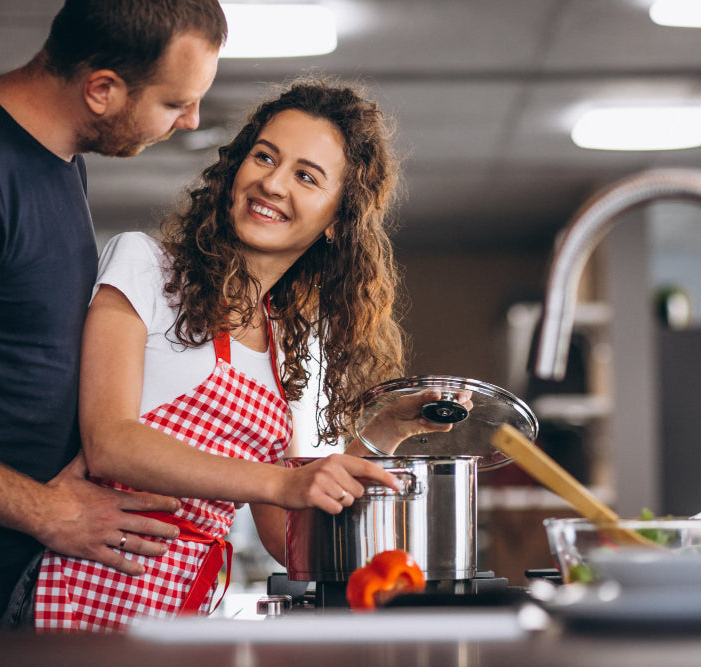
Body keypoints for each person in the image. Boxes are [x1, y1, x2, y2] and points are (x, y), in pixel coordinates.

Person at [34, 78, 453, 632]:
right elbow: (111, 443)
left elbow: (288, 542)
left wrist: (381, 434)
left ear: (336, 222)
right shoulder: (146, 267)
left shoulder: (285, 345)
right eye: (264, 157)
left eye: (306, 176)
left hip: (184, 612)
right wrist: (282, 481)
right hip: (87, 590)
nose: (273, 183)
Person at [0, 0, 228, 628]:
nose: (190, 121)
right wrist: (49, 513)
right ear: (102, 90)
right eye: (175, 103)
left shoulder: (61, 160)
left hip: (11, 586)